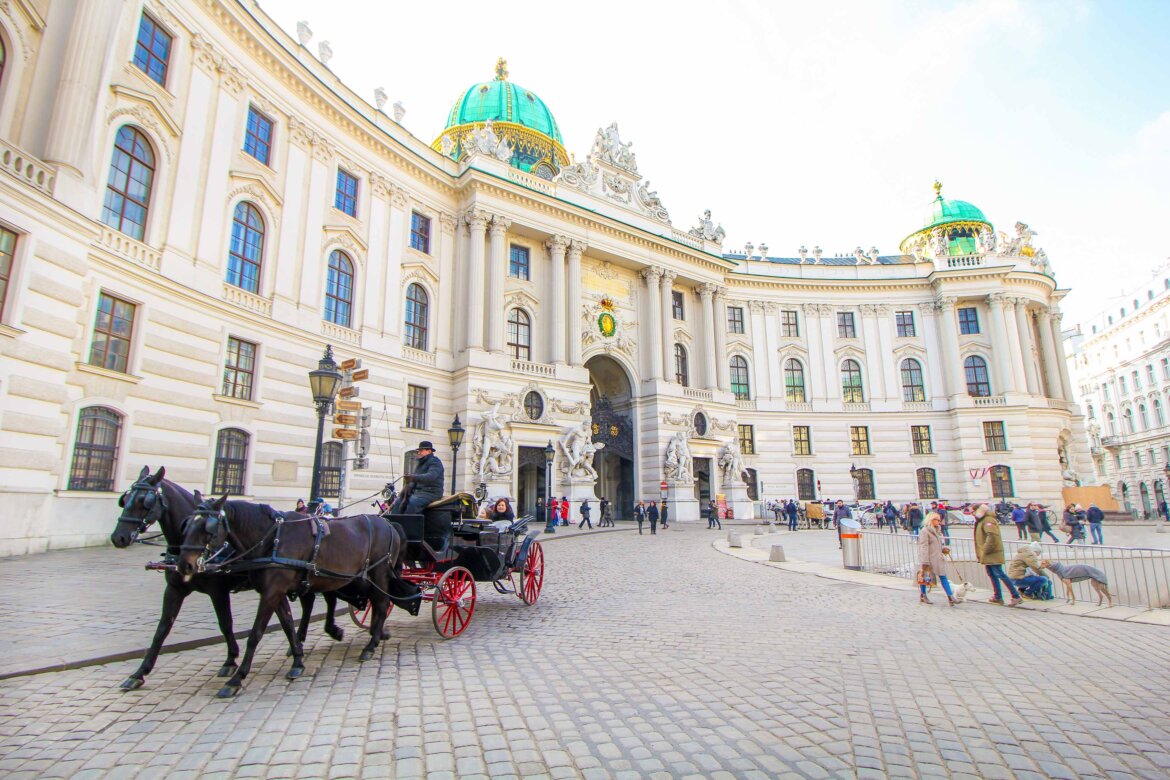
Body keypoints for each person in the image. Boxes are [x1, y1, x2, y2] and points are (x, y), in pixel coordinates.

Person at [974, 504, 1021, 606]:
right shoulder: (983, 520)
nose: (972, 514)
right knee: (992, 574)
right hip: (988, 553)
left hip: (992, 553)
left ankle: (1015, 595)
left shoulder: (988, 520)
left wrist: (985, 549)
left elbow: (992, 536)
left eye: (973, 511)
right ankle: (998, 596)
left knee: (1000, 574)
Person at [918, 512, 957, 606]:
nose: (939, 522)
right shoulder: (925, 531)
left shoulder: (938, 530)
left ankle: (950, 597)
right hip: (929, 558)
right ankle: (923, 595)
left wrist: (944, 549)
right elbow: (924, 546)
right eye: (937, 520)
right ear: (931, 520)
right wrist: (925, 560)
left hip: (938, 558)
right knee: (925, 578)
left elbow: (939, 544)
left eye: (940, 520)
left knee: (943, 577)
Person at [397, 441, 444, 514]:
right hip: (419, 492)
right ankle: (394, 522)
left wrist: (413, 478)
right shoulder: (420, 463)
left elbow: (431, 476)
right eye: (418, 451)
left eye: (421, 450)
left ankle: (408, 524)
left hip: (431, 493)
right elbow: (414, 481)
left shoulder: (435, 462)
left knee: (413, 502)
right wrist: (407, 489)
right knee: (398, 501)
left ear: (429, 451)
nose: (418, 453)